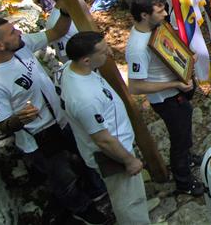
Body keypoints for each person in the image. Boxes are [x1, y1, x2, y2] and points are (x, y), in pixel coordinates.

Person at [0, 17, 110, 225]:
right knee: (63, 178)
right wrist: (19, 119)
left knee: (85, 155)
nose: (18, 32)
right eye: (12, 32)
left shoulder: (21, 45)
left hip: (62, 120)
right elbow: (3, 125)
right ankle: (82, 209)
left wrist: (64, 9)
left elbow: (56, 31)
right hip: (40, 137)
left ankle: (98, 191)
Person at [60, 32, 151, 224]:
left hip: (119, 142)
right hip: (113, 154)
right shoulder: (84, 99)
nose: (109, 52)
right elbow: (103, 139)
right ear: (86, 60)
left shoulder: (71, 67)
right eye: (103, 51)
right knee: (128, 201)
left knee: (132, 193)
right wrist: (129, 161)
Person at [126, 0, 205, 196]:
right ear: (144, 15)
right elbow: (135, 87)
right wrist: (174, 84)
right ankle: (184, 182)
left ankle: (188, 158)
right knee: (178, 139)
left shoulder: (155, 26)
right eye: (160, 10)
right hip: (166, 99)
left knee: (185, 129)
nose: (165, 13)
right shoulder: (137, 48)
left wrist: (187, 57)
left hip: (177, 89)